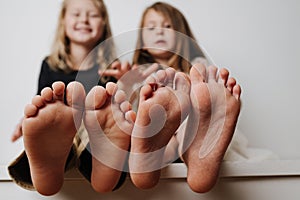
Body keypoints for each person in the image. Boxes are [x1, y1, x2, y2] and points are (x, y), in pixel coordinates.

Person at [100, 2, 241, 192]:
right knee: (160, 135)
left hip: (188, 128)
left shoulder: (197, 67)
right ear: (141, 39)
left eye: (167, 26)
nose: (159, 32)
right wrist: (125, 83)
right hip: (157, 135)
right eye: (151, 27)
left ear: (182, 34)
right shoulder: (136, 73)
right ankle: (153, 157)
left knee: (185, 127)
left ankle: (194, 145)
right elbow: (119, 112)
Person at [8, 0, 131, 195]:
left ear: (104, 24)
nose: (84, 19)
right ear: (63, 22)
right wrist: (27, 120)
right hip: (62, 136)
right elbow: (40, 107)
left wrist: (127, 83)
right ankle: (51, 161)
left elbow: (124, 109)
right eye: (76, 14)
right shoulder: (49, 65)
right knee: (55, 131)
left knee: (97, 132)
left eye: (92, 15)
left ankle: (101, 160)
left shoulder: (113, 70)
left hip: (93, 135)